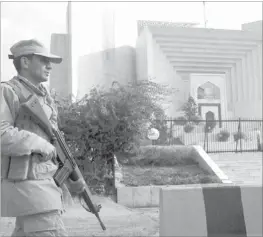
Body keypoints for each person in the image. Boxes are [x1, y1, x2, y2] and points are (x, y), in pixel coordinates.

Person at [1, 39, 83, 236]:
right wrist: (40, 144)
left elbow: (56, 144)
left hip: (43, 185)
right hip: (32, 187)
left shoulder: (45, 98)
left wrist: (73, 177)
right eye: (43, 60)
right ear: (25, 62)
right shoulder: (8, 91)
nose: (49, 66)